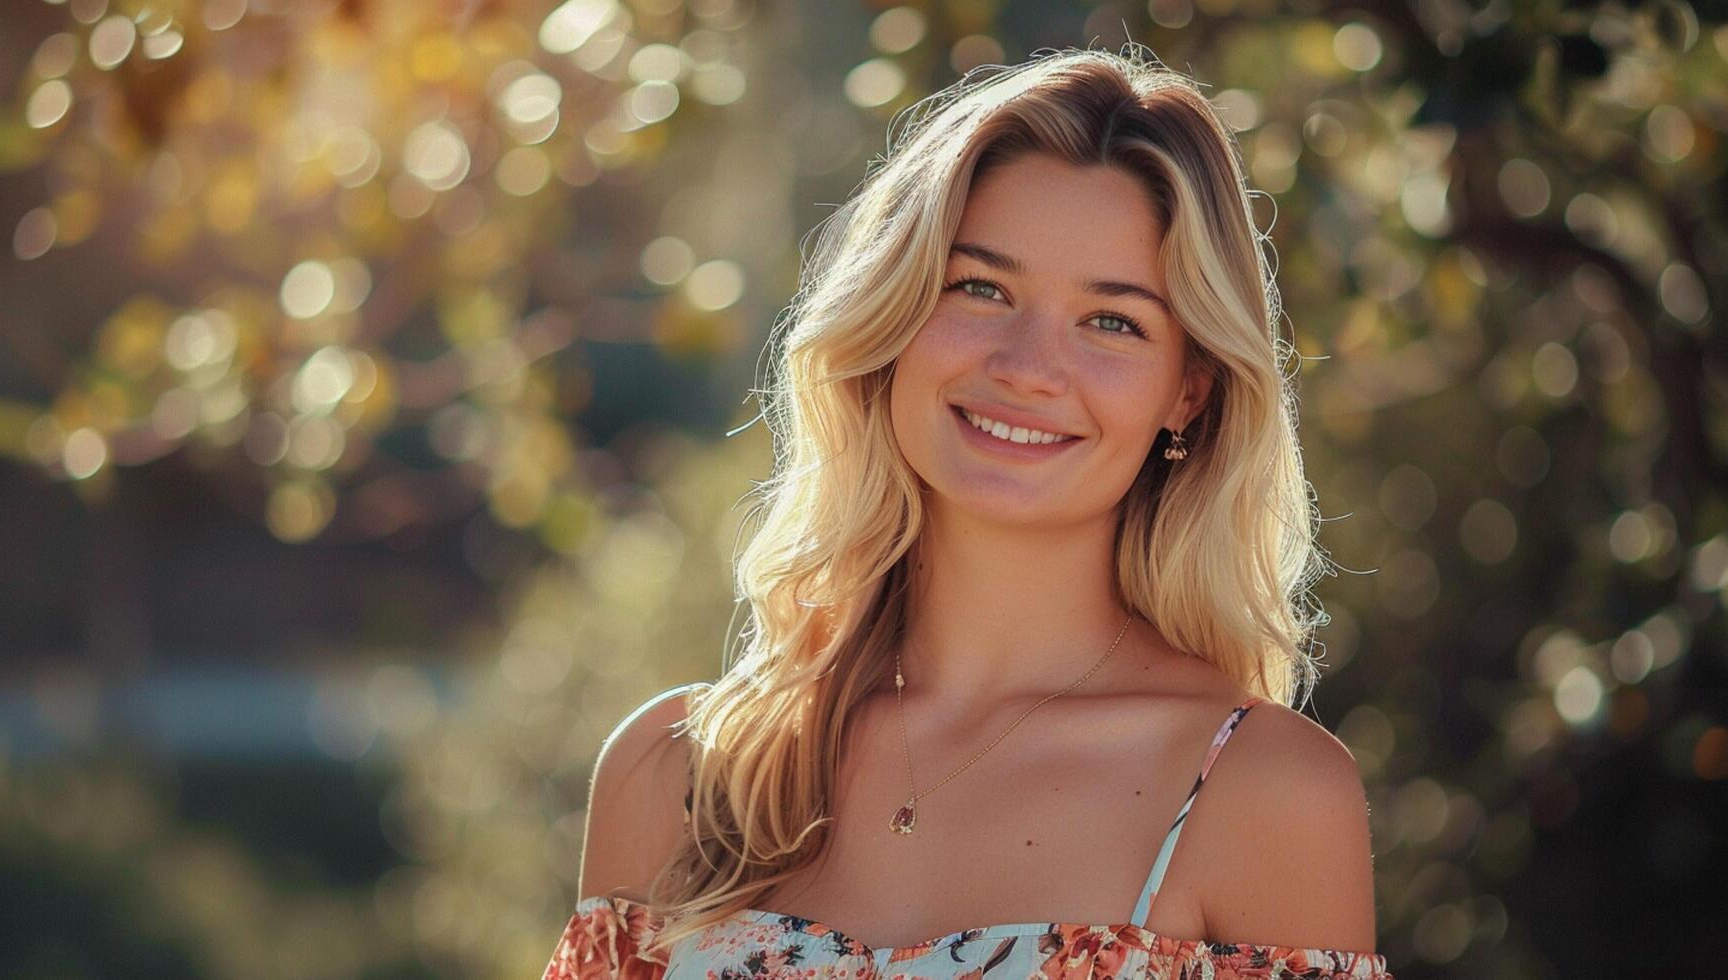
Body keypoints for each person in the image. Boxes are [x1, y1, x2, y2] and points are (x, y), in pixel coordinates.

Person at [547, 44, 1394, 979]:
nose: (1028, 366)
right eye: (981, 288)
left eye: (1111, 320)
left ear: (1187, 391)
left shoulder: (1260, 793)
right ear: (894, 317)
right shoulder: (678, 773)